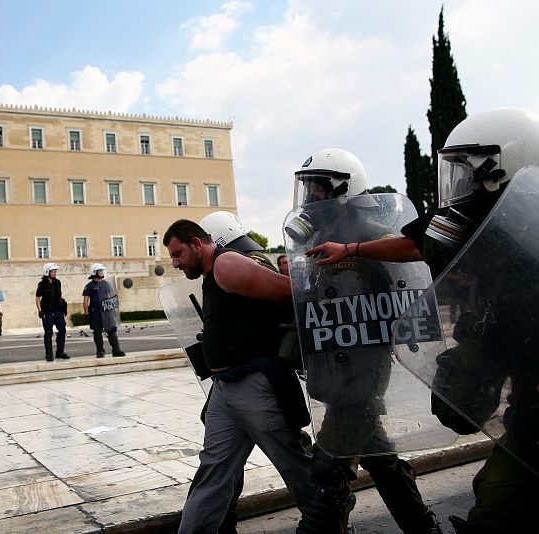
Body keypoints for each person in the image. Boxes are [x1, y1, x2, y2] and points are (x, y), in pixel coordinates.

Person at [305, 109, 539, 534]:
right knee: (495, 496)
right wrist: (352, 249)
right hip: (526, 395)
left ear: (504, 162)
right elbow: (415, 244)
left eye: (467, 166)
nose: (460, 179)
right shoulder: (468, 216)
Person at [287, 149, 441, 534]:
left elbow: (406, 294)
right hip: (337, 365)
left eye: (317, 188)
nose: (310, 198)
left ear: (343, 188)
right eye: (306, 188)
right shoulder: (327, 238)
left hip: (363, 367)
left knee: (329, 467)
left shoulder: (370, 236)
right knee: (381, 460)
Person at [163, 219, 314, 534]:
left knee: (294, 464)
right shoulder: (211, 273)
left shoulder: (227, 264)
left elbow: (291, 291)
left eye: (178, 254)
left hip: (254, 385)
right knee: (213, 471)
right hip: (225, 389)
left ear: (197, 243)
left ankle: (329, 523)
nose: (175, 263)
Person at [82, 263, 126, 358]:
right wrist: (86, 314)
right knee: (97, 332)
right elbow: (85, 301)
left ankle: (116, 350)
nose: (102, 272)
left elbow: (112, 297)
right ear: (95, 272)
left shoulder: (106, 284)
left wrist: (114, 309)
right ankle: (100, 351)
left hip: (106, 310)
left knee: (111, 330)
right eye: (100, 271)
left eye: (102, 271)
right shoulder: (89, 286)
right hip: (95, 311)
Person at [36, 263, 68, 361]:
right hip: (48, 312)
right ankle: (49, 354)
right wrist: (40, 311)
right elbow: (37, 298)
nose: (55, 273)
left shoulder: (58, 282)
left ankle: (60, 352)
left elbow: (60, 295)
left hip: (58, 310)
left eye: (55, 272)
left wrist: (64, 307)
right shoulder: (41, 284)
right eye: (53, 272)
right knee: (48, 332)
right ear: (47, 272)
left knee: (62, 330)